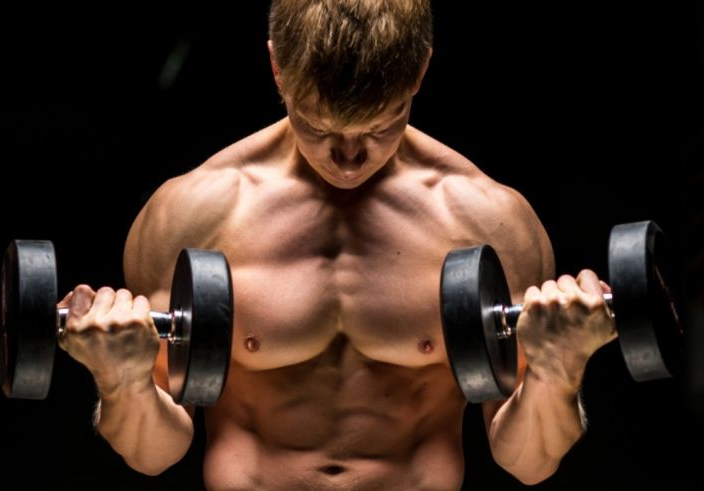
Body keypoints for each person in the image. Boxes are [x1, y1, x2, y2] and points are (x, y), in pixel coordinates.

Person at [57, 1, 616, 488]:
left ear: (420, 69)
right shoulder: (191, 214)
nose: (348, 158)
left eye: (380, 126)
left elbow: (530, 462)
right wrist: (122, 378)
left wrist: (559, 368)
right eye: (318, 127)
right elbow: (151, 455)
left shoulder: (489, 222)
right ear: (277, 67)